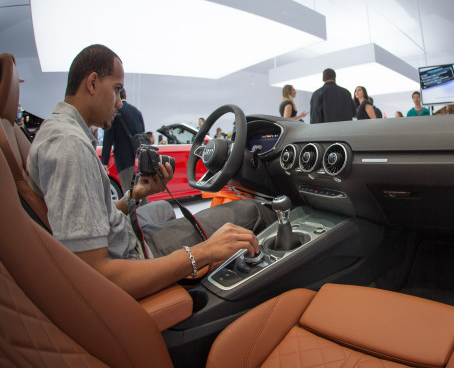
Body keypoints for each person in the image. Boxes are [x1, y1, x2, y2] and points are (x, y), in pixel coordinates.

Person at [27, 44, 276, 299]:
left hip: (125, 240)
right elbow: (95, 276)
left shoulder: (59, 132)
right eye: (116, 90)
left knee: (165, 209)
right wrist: (204, 252)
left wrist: (135, 194)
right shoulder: (69, 146)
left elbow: (95, 218)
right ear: (92, 83)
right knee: (252, 211)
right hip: (135, 255)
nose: (120, 103)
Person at [100, 87, 144, 193]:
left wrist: (104, 163)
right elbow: (142, 133)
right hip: (140, 160)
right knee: (142, 191)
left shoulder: (114, 113)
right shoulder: (136, 111)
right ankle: (144, 209)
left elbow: (108, 139)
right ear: (125, 96)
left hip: (125, 161)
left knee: (128, 193)